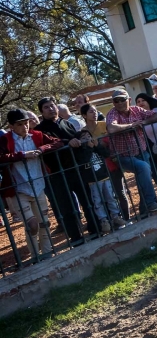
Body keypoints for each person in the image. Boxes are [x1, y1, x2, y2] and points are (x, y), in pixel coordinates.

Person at [0, 108, 62, 259]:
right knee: (32, 225)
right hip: (19, 189)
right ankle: (35, 256)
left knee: (44, 223)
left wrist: (42, 148)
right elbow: (1, 157)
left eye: (26, 123)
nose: (25, 127)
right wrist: (22, 155)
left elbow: (58, 142)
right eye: (20, 124)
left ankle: (47, 255)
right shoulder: (5, 139)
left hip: (38, 185)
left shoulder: (37, 135)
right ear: (12, 126)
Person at [36, 97, 100, 242]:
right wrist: (68, 142)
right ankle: (76, 238)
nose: (51, 109)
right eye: (46, 107)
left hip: (76, 169)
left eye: (52, 105)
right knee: (67, 208)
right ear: (41, 111)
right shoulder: (39, 130)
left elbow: (74, 137)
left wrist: (81, 136)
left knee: (87, 201)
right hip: (57, 173)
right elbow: (49, 144)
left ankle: (95, 230)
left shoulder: (66, 123)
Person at [105, 90, 157, 215]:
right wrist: (131, 125)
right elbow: (111, 127)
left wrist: (143, 122)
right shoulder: (113, 113)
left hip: (141, 151)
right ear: (113, 103)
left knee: (143, 179)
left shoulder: (137, 110)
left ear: (129, 100)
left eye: (122, 99)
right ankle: (151, 203)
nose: (120, 103)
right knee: (143, 168)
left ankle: (144, 212)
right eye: (116, 101)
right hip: (122, 156)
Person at [76, 112, 127, 234]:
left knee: (111, 197)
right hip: (93, 181)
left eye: (88, 137)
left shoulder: (96, 146)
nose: (87, 139)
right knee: (97, 201)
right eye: (83, 138)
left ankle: (116, 216)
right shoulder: (81, 152)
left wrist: (96, 145)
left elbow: (106, 153)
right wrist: (88, 147)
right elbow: (84, 160)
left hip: (104, 177)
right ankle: (103, 220)